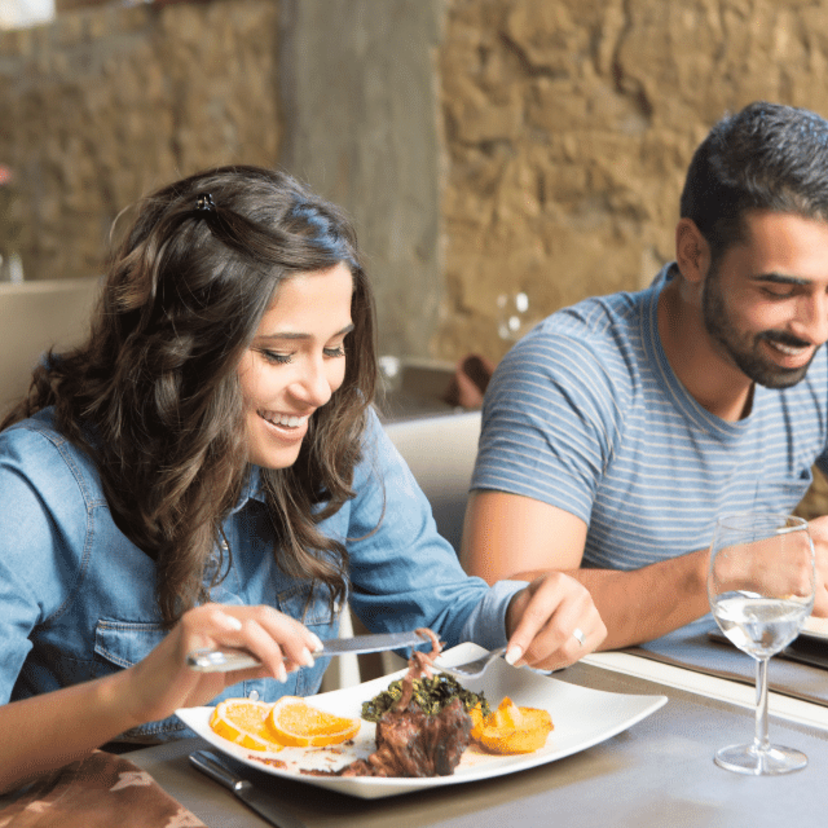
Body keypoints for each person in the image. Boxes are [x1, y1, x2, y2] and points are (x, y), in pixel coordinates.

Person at [0, 165, 605, 793]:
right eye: (279, 354)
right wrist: (133, 694)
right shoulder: (34, 492)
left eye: (335, 347)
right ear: (179, 352)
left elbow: (443, 609)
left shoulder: (339, 435)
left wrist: (521, 611)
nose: (318, 389)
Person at [462, 101, 828, 650]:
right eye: (778, 291)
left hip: (744, 702)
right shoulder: (571, 373)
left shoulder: (813, 356)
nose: (816, 327)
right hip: (592, 720)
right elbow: (496, 611)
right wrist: (727, 573)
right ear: (693, 253)